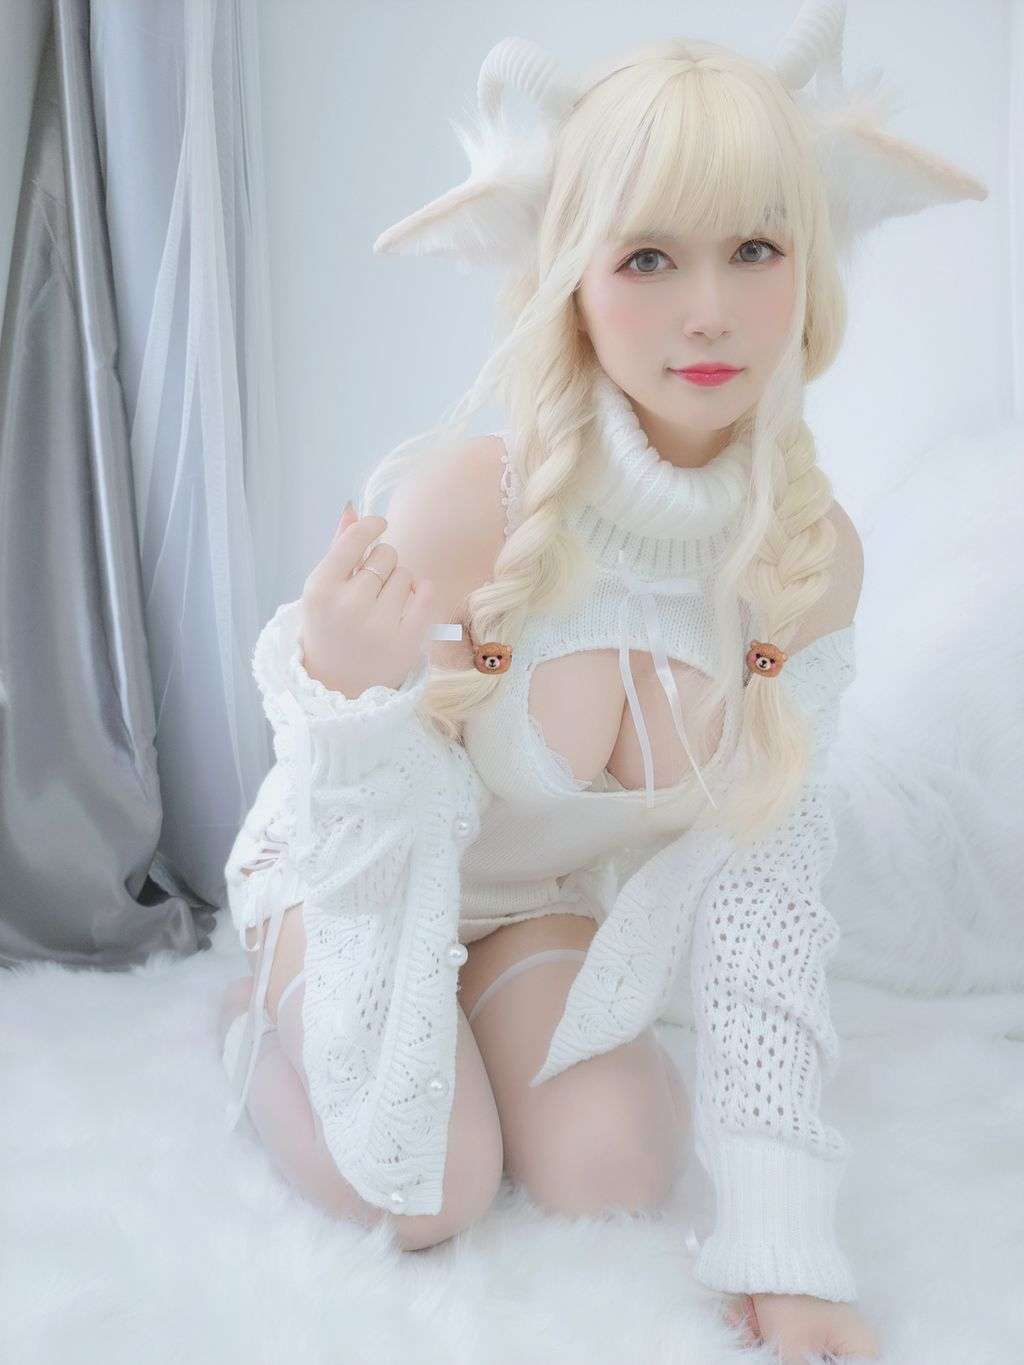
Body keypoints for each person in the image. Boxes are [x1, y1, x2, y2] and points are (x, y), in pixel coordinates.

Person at [218, 9, 986, 1361]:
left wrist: (786, 1253)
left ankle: (473, 1040)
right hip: (356, 872)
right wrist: (347, 688)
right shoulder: (472, 505)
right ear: (572, 274)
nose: (711, 309)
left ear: (810, 264)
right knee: (426, 1186)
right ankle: (250, 1018)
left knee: (617, 1163)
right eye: (648, 257)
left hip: (534, 908)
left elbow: (766, 903)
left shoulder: (809, 562)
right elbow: (352, 799)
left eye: (756, 248)